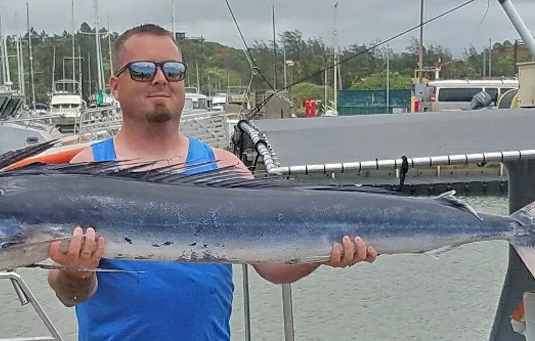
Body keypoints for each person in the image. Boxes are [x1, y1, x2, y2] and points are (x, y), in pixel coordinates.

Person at [46, 23, 377, 341]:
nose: (160, 79)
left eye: (173, 70)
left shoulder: (224, 168)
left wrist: (323, 252)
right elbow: (66, 293)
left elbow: (272, 267)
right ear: (115, 86)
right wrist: (77, 273)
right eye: (143, 70)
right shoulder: (85, 172)